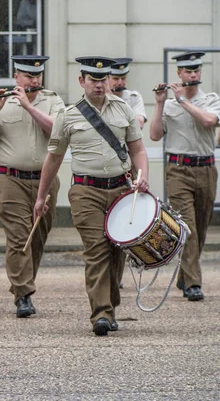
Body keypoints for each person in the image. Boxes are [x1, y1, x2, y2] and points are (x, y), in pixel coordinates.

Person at [34, 56, 149, 336]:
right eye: (93, 80)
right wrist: (41, 197)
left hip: (121, 189)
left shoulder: (123, 110)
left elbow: (137, 150)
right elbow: (54, 159)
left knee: (117, 249)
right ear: (81, 81)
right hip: (86, 191)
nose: (99, 85)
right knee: (96, 248)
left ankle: (109, 303)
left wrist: (143, 174)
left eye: (103, 79)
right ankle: (101, 313)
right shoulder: (69, 115)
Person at [0, 55, 64, 317]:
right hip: (9, 179)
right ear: (16, 77)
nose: (34, 80)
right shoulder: (2, 101)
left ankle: (22, 285)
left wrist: (29, 107)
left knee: (37, 238)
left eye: (37, 75)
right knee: (19, 236)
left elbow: (58, 131)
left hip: (45, 180)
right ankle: (23, 294)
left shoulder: (53, 100)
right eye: (28, 75)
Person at [150, 51, 220, 302]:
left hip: (206, 169)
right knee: (187, 227)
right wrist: (160, 103)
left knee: (200, 228)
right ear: (178, 73)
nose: (193, 75)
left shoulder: (211, 100)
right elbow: (155, 135)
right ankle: (193, 284)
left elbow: (209, 121)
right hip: (178, 169)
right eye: (188, 71)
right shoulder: (169, 105)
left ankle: (185, 275)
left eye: (197, 71)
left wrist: (183, 101)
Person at [110, 58, 147, 129]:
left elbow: (139, 124)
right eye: (116, 79)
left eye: (123, 78)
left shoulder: (134, 97)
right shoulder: (100, 98)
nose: (120, 83)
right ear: (107, 78)